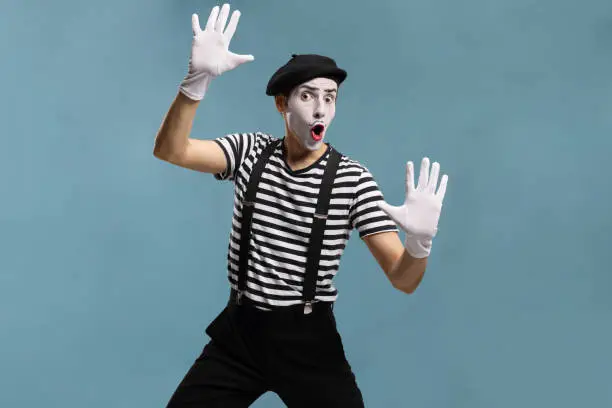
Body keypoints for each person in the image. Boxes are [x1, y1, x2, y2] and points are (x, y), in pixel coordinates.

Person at [153, 3, 448, 407]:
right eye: (308, 96)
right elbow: (171, 150)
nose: (321, 108)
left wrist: (419, 245)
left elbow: (404, 279)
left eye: (330, 97)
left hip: (308, 341)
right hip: (240, 333)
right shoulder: (251, 151)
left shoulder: (353, 181)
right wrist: (195, 84)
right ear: (282, 104)